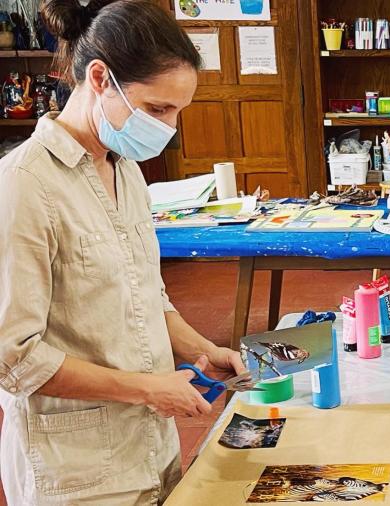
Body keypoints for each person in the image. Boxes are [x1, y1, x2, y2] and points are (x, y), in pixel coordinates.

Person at [0, 1, 245, 503]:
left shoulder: (125, 170)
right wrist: (149, 389)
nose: (168, 127)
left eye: (177, 111)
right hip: (76, 471)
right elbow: (12, 357)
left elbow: (145, 294)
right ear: (98, 78)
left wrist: (201, 349)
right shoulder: (24, 186)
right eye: (157, 109)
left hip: (150, 448)